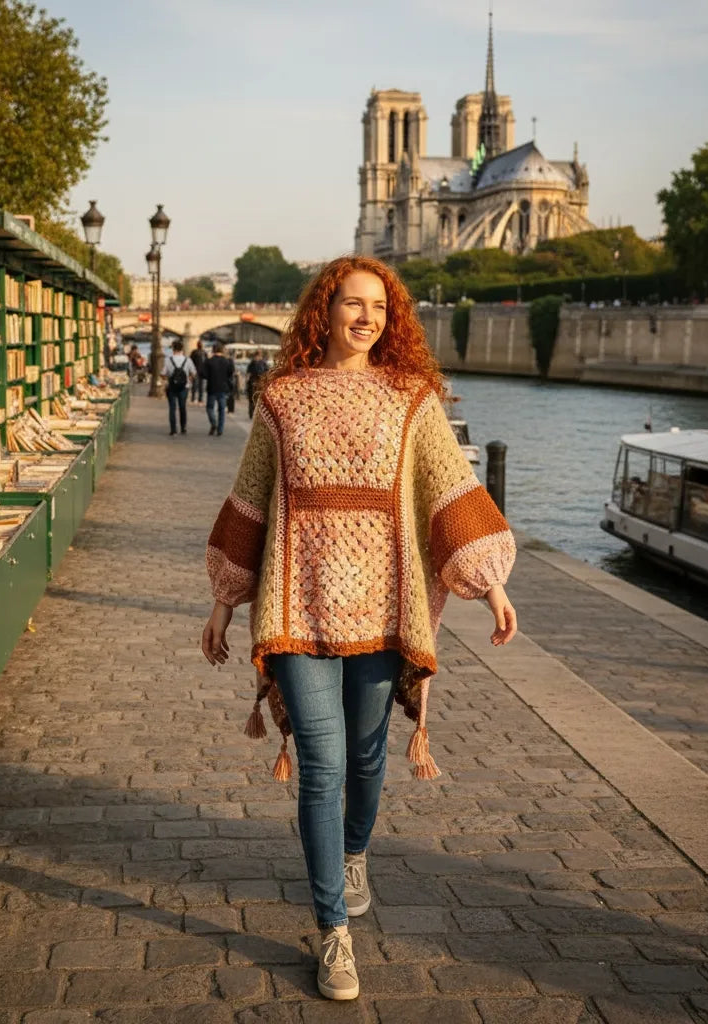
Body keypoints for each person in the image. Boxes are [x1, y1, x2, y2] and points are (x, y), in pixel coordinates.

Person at [201, 255, 517, 1002]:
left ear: (392, 317)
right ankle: (333, 932)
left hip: (385, 609)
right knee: (323, 763)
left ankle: (353, 850)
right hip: (296, 604)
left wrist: (492, 586)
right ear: (325, 310)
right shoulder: (280, 400)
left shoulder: (414, 399)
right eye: (352, 303)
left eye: (380, 306)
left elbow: (451, 490)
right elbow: (250, 502)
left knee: (369, 760)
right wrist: (223, 601)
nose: (367, 316)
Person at [163, 340, 195, 435]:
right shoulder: (187, 360)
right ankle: (183, 427)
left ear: (173, 349)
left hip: (172, 387)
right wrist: (188, 379)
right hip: (184, 387)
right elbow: (193, 373)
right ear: (182, 349)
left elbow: (163, 373)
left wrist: (169, 378)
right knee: (182, 407)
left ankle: (173, 429)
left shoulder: (168, 360)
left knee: (172, 408)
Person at [203, 341, 235, 436]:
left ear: (213, 350)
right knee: (221, 409)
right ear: (222, 350)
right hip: (223, 387)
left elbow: (203, 374)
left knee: (209, 408)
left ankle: (213, 423)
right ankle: (220, 429)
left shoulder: (209, 361)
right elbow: (231, 373)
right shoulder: (227, 361)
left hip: (211, 387)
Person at [245, 348, 270, 418]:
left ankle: (256, 414)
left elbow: (267, 373)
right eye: (257, 355)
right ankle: (252, 413)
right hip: (253, 383)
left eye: (258, 355)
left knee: (257, 399)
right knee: (252, 399)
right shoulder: (253, 363)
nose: (257, 357)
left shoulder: (263, 363)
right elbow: (248, 373)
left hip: (259, 383)